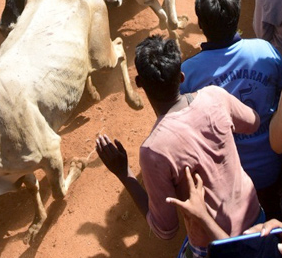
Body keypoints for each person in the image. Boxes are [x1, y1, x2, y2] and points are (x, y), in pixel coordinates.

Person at [95, 35, 262, 251]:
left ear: (139, 84)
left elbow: (165, 229)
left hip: (213, 245)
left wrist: (124, 174)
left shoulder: (154, 150)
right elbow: (254, 122)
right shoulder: (215, 96)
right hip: (256, 217)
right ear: (181, 77)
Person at [178, 0, 282, 198]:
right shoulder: (263, 50)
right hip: (274, 168)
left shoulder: (188, 73)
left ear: (201, 24)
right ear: (237, 19)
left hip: (226, 181)